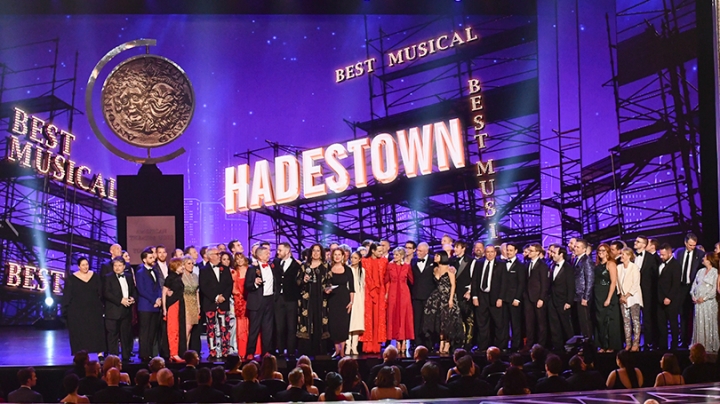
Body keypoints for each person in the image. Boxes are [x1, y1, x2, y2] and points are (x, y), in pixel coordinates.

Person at [62, 257, 106, 356]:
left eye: (87, 264)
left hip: (94, 309)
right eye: (83, 265)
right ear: (78, 266)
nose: (85, 267)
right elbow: (67, 295)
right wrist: (65, 310)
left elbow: (101, 292)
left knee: (96, 331)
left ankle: (100, 353)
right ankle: (80, 355)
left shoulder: (95, 276)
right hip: (77, 310)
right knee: (79, 332)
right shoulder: (72, 279)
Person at [422, 251, 464, 354]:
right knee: (439, 321)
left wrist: (451, 299)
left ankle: (447, 343)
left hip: (447, 297)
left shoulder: (450, 269)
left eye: (437, 255)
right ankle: (441, 343)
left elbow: (453, 285)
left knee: (448, 321)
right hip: (437, 297)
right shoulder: (434, 269)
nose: (435, 257)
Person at [297, 243, 332, 355]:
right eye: (314, 251)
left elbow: (329, 282)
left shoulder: (326, 266)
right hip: (306, 300)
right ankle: (306, 351)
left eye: (318, 251)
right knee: (306, 322)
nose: (316, 253)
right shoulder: (304, 266)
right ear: (310, 253)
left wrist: (328, 289)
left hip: (321, 299)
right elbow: (297, 282)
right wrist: (304, 281)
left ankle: (320, 350)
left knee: (319, 322)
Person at [471, 244, 507, 352]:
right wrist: (475, 296)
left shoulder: (501, 265)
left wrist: (501, 298)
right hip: (482, 296)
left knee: (498, 323)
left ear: (495, 253)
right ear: (484, 253)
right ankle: (482, 346)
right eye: (487, 252)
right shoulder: (479, 263)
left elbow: (503, 283)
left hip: (495, 297)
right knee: (482, 323)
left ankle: (498, 347)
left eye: (492, 252)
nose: (490, 254)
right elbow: (475, 280)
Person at [199, 247, 233, 360]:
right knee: (211, 328)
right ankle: (212, 350)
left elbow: (229, 285)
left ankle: (225, 350)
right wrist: (216, 297)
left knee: (224, 328)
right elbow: (204, 287)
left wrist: (224, 296)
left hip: (223, 303)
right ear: (210, 257)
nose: (219, 256)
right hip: (210, 303)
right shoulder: (203, 270)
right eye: (216, 254)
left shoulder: (225, 269)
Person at [103, 257, 136, 361]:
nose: (117, 268)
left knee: (125, 335)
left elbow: (133, 290)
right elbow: (106, 293)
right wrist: (120, 300)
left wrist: (133, 298)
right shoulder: (108, 277)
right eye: (115, 265)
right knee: (113, 336)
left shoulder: (129, 277)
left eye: (119, 265)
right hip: (113, 311)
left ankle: (126, 357)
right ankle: (114, 358)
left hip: (126, 311)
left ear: (124, 267)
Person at [676, 233, 706, 348]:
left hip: (694, 288)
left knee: (693, 314)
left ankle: (694, 339)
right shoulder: (679, 253)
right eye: (690, 245)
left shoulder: (700, 254)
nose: (692, 247)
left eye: (694, 245)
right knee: (683, 313)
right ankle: (683, 339)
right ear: (685, 243)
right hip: (681, 287)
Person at [272, 242, 301, 356]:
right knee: (279, 327)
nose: (277, 252)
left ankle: (291, 351)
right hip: (278, 298)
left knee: (291, 326)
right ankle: (280, 350)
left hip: (291, 299)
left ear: (287, 251)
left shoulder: (296, 265)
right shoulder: (275, 263)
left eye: (280, 250)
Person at [594, 243, 623, 352]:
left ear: (607, 252)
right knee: (599, 321)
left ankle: (611, 345)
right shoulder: (597, 265)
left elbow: (613, 282)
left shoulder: (611, 264)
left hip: (607, 294)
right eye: (599, 250)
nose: (601, 252)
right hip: (598, 295)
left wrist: (609, 298)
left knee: (609, 320)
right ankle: (602, 345)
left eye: (603, 250)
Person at [230, 253, 259, 359]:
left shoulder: (251, 270)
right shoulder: (234, 272)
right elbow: (233, 289)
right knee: (241, 327)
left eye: (241, 258)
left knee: (253, 325)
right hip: (240, 302)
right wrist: (241, 296)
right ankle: (242, 352)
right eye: (237, 259)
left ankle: (254, 351)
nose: (239, 261)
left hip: (251, 299)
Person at [328, 247, 355, 357]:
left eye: (339, 254)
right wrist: (327, 289)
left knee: (343, 324)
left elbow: (352, 287)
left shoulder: (347, 269)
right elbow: (326, 283)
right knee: (333, 324)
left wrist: (351, 302)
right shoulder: (329, 268)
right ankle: (336, 349)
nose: (337, 257)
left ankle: (342, 349)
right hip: (332, 298)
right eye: (335, 255)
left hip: (344, 298)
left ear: (343, 256)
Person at [361, 243, 388, 354]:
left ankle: (376, 346)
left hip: (380, 292)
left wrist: (385, 292)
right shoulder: (364, 261)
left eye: (382, 251)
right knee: (368, 317)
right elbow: (364, 276)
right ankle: (367, 346)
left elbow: (386, 278)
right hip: (367, 291)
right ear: (372, 251)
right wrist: (372, 288)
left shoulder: (384, 261)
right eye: (379, 251)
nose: (381, 253)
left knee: (378, 317)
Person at [135, 248, 161, 362]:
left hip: (155, 306)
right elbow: (141, 290)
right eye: (150, 258)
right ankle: (144, 354)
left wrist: (159, 299)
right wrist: (154, 300)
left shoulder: (155, 271)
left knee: (152, 331)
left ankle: (150, 353)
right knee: (145, 331)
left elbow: (158, 287)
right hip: (145, 306)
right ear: (144, 260)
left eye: (153, 257)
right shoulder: (140, 272)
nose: (153, 259)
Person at [691, 252, 719, 352]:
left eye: (705, 258)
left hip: (708, 304)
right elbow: (694, 285)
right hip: (698, 304)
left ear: (710, 260)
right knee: (699, 323)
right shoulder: (700, 271)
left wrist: (705, 298)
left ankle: (709, 345)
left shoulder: (715, 272)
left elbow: (714, 289)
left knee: (708, 323)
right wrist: (693, 295)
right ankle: (699, 345)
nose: (703, 259)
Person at [523, 243, 550, 350]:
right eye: (529, 250)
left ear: (538, 253)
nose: (529, 252)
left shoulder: (542, 266)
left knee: (541, 322)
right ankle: (529, 344)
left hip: (538, 297)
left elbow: (545, 284)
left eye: (531, 251)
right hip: (528, 298)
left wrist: (541, 298)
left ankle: (541, 345)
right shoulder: (527, 264)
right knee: (529, 322)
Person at [548, 246, 575, 351]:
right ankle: (557, 347)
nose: (552, 254)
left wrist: (569, 301)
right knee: (554, 325)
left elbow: (571, 286)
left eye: (555, 253)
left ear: (561, 254)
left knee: (566, 325)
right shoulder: (552, 266)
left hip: (563, 300)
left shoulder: (568, 268)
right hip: (552, 300)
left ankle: (571, 347)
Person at [634, 235, 658, 350]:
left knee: (647, 317)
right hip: (634, 291)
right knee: (635, 317)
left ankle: (648, 342)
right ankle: (635, 342)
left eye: (638, 242)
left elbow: (655, 276)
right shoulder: (632, 257)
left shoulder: (651, 258)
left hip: (647, 291)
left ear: (644, 245)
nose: (635, 243)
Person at [617, 247, 642, 352]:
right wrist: (621, 295)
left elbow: (635, 284)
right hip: (623, 298)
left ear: (629, 256)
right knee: (626, 321)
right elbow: (617, 283)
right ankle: (628, 343)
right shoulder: (619, 267)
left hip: (633, 297)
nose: (621, 256)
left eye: (623, 254)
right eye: (621, 254)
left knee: (635, 320)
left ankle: (636, 343)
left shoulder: (634, 267)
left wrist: (627, 296)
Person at [501, 243, 526, 352]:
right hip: (504, 298)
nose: (509, 252)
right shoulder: (502, 264)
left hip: (514, 299)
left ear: (516, 251)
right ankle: (505, 344)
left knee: (515, 323)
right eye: (507, 250)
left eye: (511, 250)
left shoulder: (520, 266)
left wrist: (517, 298)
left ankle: (516, 345)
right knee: (504, 323)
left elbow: (521, 283)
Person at [657, 243, 681, 350]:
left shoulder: (675, 265)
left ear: (670, 253)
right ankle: (663, 345)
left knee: (673, 323)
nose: (661, 257)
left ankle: (674, 345)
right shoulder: (660, 264)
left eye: (663, 255)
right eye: (660, 254)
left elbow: (676, 284)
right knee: (661, 324)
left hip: (671, 300)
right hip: (660, 299)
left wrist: (669, 297)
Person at [451, 240, 474, 350]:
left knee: (468, 319)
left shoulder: (470, 260)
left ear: (463, 248)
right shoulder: (452, 261)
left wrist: (470, 291)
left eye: (457, 247)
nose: (455, 249)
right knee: (456, 318)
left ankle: (468, 342)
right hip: (455, 294)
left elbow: (474, 278)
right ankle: (458, 341)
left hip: (465, 294)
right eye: (454, 247)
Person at [162, 257, 187, 362]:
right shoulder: (170, 277)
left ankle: (176, 353)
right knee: (173, 330)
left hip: (179, 304)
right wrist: (164, 309)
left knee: (178, 329)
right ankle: (173, 353)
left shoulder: (178, 277)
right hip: (173, 305)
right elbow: (164, 293)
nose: (183, 267)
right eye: (181, 265)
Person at [410, 242, 434, 349]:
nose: (417, 253)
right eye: (417, 250)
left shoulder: (433, 260)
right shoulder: (413, 261)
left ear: (426, 251)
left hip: (429, 296)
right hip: (416, 296)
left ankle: (429, 343)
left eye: (420, 251)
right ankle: (417, 342)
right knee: (417, 320)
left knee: (428, 320)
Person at [572, 239, 595, 339]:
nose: (575, 248)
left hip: (583, 296)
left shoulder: (587, 261)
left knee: (585, 321)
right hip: (578, 295)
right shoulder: (577, 259)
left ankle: (588, 343)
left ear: (584, 249)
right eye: (575, 246)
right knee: (581, 321)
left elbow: (590, 279)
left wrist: (586, 297)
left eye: (578, 247)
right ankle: (584, 342)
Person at [346, 252, 365, 355]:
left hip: (359, 299)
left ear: (359, 259)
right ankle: (348, 346)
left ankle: (355, 346)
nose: (352, 260)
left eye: (355, 258)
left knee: (357, 323)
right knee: (349, 322)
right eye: (352, 258)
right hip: (350, 296)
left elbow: (363, 286)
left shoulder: (362, 271)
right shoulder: (348, 269)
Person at [181, 255, 201, 353]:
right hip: (185, 303)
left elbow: (197, 291)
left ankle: (187, 350)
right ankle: (183, 350)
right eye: (189, 263)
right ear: (183, 265)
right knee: (186, 328)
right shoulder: (181, 276)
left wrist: (198, 305)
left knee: (191, 328)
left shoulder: (195, 276)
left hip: (193, 303)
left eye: (192, 263)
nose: (191, 265)